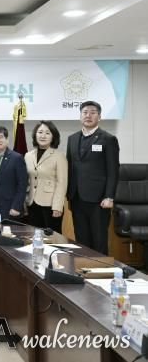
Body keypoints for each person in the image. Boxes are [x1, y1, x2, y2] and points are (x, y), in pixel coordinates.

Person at [67, 101, 120, 255]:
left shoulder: (108, 139)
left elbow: (113, 170)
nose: (88, 115)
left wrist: (109, 196)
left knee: (99, 239)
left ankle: (101, 269)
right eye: (85, 112)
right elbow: (70, 167)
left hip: (99, 200)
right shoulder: (72, 138)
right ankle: (84, 268)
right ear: (80, 116)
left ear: (99, 117)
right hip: (77, 198)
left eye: (93, 112)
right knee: (81, 240)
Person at [24, 121, 68, 233]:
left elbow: (62, 183)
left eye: (47, 133)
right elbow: (26, 180)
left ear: (53, 136)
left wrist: (58, 206)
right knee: (33, 236)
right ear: (35, 135)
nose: (43, 136)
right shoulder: (28, 155)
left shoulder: (59, 156)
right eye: (40, 132)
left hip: (51, 205)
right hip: (32, 203)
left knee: (52, 238)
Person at [0, 125, 27, 221]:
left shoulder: (17, 158)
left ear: (7, 139)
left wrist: (16, 206)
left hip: (10, 209)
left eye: (0, 137)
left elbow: (22, 185)